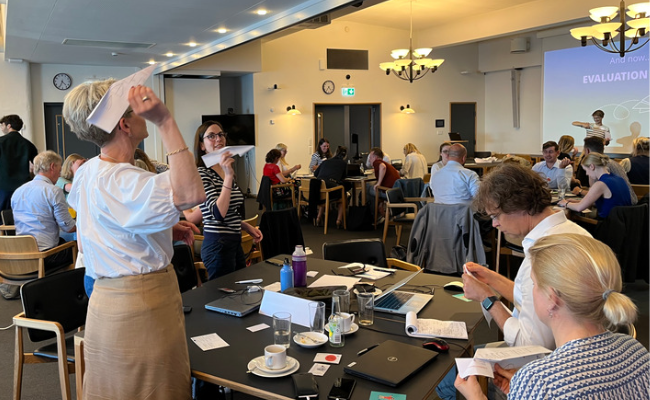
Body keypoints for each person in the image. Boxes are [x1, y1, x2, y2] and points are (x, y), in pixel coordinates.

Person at [63, 80, 204, 399]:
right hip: (142, 308)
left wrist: (163, 229)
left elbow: (102, 226)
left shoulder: (87, 172)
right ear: (125, 123)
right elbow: (191, 193)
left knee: (114, 389)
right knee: (152, 390)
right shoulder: (129, 181)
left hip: (104, 303)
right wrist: (165, 121)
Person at [455, 234, 649, 400]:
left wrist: (476, 397)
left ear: (552, 298)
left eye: (534, 284)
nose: (531, 292)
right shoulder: (636, 350)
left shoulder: (540, 382)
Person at [193, 120, 263, 280]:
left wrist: (245, 226)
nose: (218, 139)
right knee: (222, 298)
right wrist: (229, 177)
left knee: (238, 295)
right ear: (202, 145)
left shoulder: (225, 170)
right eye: (211, 136)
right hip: (218, 245)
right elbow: (217, 213)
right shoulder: (201, 173)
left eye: (220, 134)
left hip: (234, 242)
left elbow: (230, 211)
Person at [12, 150, 76, 270]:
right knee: (76, 247)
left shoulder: (18, 192)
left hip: (19, 255)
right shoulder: (53, 191)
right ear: (52, 167)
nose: (60, 173)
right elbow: (68, 227)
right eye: (59, 168)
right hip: (45, 257)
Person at [559, 153, 632, 219]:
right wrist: (578, 202)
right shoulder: (618, 178)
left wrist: (565, 203)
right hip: (624, 223)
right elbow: (609, 202)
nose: (587, 174)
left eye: (586, 170)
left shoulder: (600, 184)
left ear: (592, 166)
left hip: (608, 226)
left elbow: (579, 208)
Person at [573, 136, 637, 204]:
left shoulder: (595, 166)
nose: (587, 173)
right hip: (630, 206)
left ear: (587, 151)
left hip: (617, 210)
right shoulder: (614, 164)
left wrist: (580, 191)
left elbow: (595, 196)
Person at [0, 114, 39, 211]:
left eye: (2, 125)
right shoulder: (28, 144)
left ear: (8, 126)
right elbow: (38, 164)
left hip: (3, 185)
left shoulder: (1, 142)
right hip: (23, 186)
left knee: (2, 219)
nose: (1, 128)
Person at [314, 145, 348, 228]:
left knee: (324, 194)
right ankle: (339, 220)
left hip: (319, 188)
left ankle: (318, 217)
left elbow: (315, 174)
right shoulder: (343, 163)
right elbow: (344, 177)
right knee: (343, 195)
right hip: (331, 188)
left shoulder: (325, 161)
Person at [366, 147, 400, 216]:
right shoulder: (386, 164)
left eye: (370, 157)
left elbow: (382, 167)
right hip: (395, 192)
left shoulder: (377, 162)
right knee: (374, 188)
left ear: (375, 157)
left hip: (389, 193)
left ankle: (373, 216)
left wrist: (378, 183)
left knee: (368, 188)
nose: (369, 160)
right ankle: (380, 209)